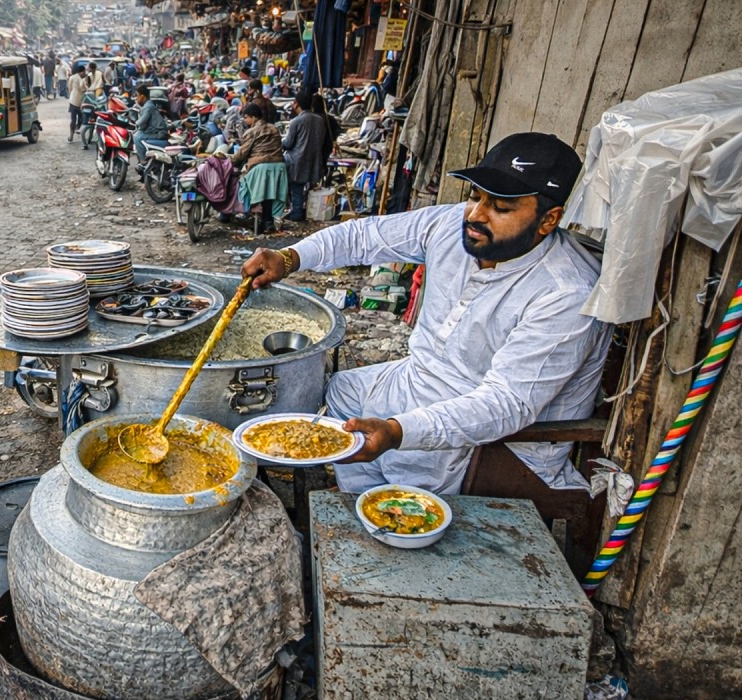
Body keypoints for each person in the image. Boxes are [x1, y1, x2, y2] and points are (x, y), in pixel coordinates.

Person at [242, 132, 610, 495]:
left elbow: (506, 403)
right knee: (341, 393)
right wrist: (289, 257)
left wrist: (397, 431)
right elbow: (364, 236)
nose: (476, 215)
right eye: (475, 196)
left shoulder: (565, 292)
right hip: (419, 377)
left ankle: (385, 509)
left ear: (548, 220)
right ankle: (359, 503)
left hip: (494, 431)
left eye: (500, 208)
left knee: (407, 458)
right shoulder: (451, 225)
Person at [229, 103, 287, 233]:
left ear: (253, 117)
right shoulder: (274, 128)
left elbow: (242, 153)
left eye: (246, 117)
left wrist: (229, 161)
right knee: (270, 194)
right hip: (279, 167)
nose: (245, 120)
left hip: (260, 167)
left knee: (243, 184)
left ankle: (250, 214)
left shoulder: (251, 132)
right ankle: (268, 221)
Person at [281, 91, 329, 222]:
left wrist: (280, 142)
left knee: (296, 189)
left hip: (297, 160)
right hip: (314, 159)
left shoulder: (296, 121)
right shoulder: (320, 120)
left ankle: (296, 213)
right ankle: (303, 210)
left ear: (296, 104)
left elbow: (288, 144)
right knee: (306, 189)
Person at [132, 84, 167, 167]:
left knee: (136, 137)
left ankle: (143, 160)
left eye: (137, 95)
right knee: (138, 133)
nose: (136, 98)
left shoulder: (148, 107)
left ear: (142, 96)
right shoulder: (148, 105)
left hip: (158, 133)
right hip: (152, 131)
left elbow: (142, 122)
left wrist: (135, 124)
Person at [66, 64, 88, 143]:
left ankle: (71, 135)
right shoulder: (83, 79)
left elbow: (69, 88)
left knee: (73, 119)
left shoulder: (72, 77)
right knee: (80, 118)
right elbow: (83, 89)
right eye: (84, 72)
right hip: (79, 101)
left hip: (73, 100)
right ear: (82, 72)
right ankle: (77, 130)